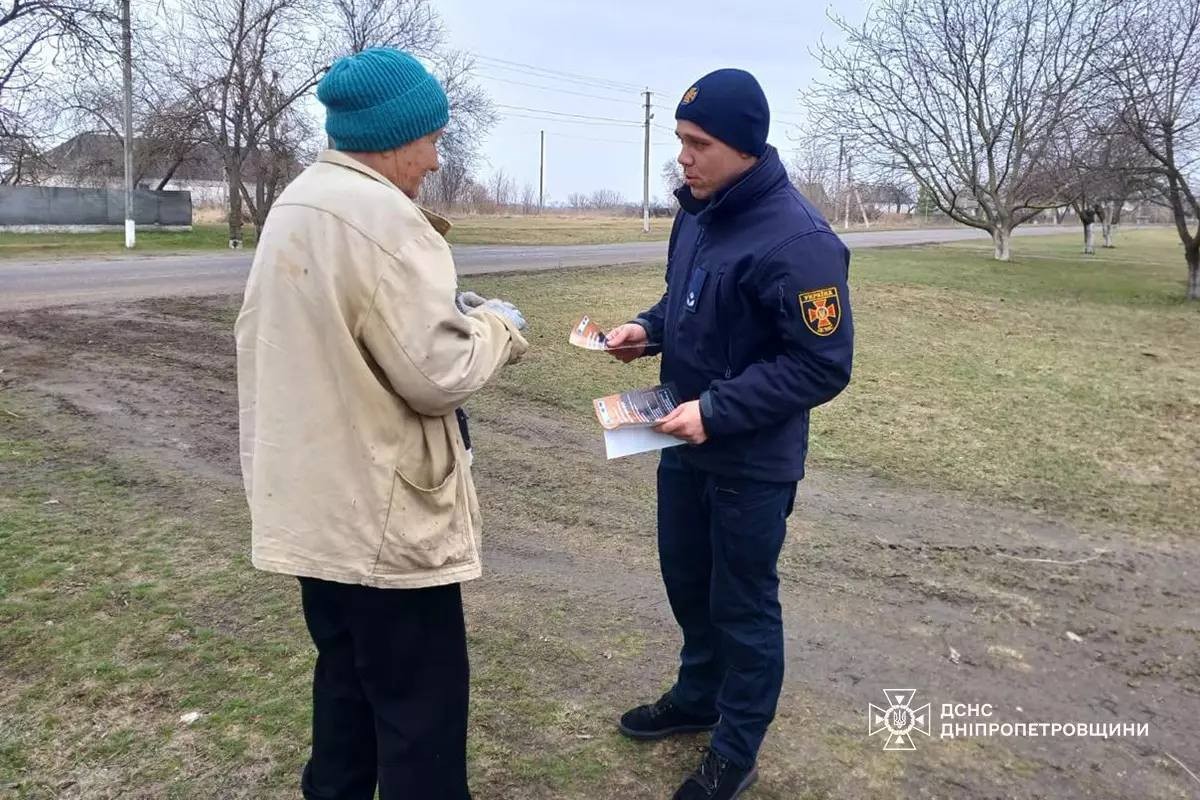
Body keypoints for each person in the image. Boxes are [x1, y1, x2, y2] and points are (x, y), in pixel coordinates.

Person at [234, 47, 528, 800]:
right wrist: (495, 327)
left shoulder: (299, 201)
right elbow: (440, 376)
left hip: (316, 510)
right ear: (396, 137)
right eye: (431, 138)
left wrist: (441, 316)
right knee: (419, 720)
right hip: (382, 520)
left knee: (345, 687)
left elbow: (345, 333)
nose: (435, 157)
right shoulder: (385, 219)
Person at [604, 68, 854, 800]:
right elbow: (684, 302)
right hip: (679, 442)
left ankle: (735, 747)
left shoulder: (801, 242)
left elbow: (821, 364)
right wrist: (644, 330)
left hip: (750, 461)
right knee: (687, 580)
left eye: (698, 143)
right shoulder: (699, 211)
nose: (683, 157)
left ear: (744, 145)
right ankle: (697, 696)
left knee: (742, 604)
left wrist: (716, 410)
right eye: (681, 140)